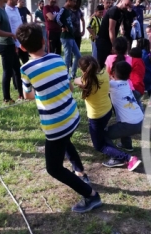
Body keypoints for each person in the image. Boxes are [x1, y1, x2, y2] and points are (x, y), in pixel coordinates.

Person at [16, 23, 102, 212]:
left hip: (56, 124)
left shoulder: (26, 69)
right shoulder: (57, 58)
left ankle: (91, 195)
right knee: (65, 141)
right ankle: (80, 172)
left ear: (22, 47)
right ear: (43, 40)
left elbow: (28, 95)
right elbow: (69, 86)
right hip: (72, 116)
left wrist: (39, 92)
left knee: (53, 168)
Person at [74, 56, 140, 168]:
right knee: (101, 134)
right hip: (107, 111)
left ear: (82, 70)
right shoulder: (104, 74)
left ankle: (127, 158)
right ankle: (118, 153)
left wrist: (81, 78)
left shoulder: (86, 81)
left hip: (96, 117)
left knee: (99, 145)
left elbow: (76, 80)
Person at [106, 61, 145, 155]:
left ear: (114, 73)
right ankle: (126, 145)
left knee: (102, 135)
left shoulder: (112, 85)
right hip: (141, 121)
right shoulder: (127, 82)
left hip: (129, 125)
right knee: (123, 120)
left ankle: (114, 156)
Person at [96, 0, 135, 68]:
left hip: (109, 41)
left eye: (129, 5)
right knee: (101, 64)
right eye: (126, 4)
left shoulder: (122, 12)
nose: (127, 7)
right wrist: (114, 45)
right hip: (103, 40)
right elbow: (111, 29)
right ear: (121, 1)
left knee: (112, 64)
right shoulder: (114, 10)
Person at [58, 0, 82, 79]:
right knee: (67, 57)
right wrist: (63, 26)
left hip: (71, 37)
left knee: (78, 55)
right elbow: (57, 18)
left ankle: (73, 74)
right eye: (74, 1)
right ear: (68, 1)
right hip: (65, 37)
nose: (75, 3)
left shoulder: (68, 10)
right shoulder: (63, 9)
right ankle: (66, 75)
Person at [4, 0, 27, 65]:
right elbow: (8, 29)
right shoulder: (6, 11)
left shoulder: (16, 9)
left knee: (27, 64)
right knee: (16, 69)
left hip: (22, 41)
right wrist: (15, 45)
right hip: (14, 43)